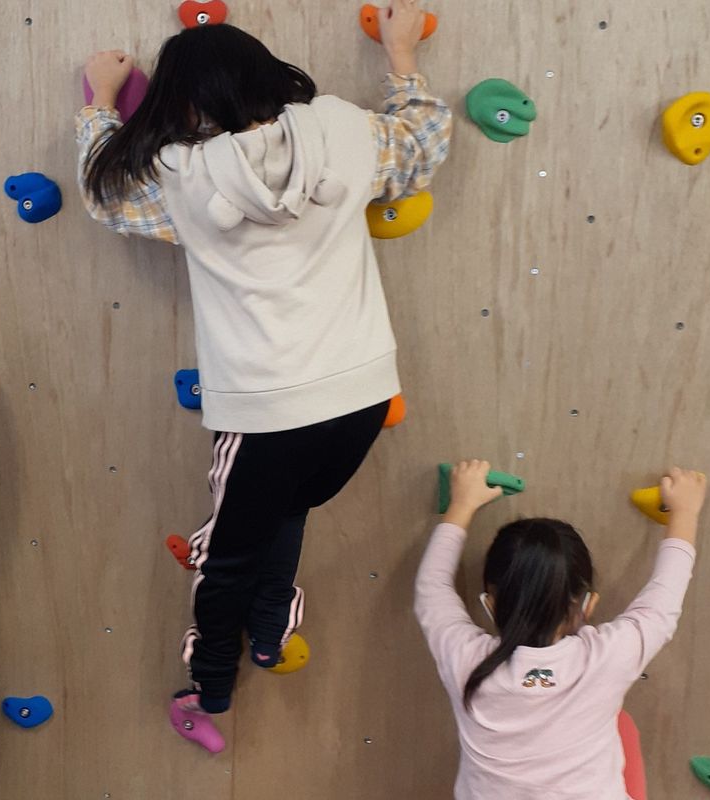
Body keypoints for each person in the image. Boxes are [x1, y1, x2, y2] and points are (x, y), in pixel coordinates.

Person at [76, 2, 451, 751]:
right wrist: (401, 57)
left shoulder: (176, 173)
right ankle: (272, 633)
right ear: (267, 76)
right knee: (285, 511)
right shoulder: (344, 131)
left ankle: (209, 687)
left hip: (264, 410)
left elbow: (103, 194)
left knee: (230, 553)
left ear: (183, 102)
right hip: (361, 398)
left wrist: (96, 104)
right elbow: (420, 144)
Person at [415, 460, 707, 799]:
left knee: (622, 727)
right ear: (587, 605)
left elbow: (430, 590)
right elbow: (662, 602)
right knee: (623, 727)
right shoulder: (607, 657)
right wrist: (685, 512)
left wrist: (461, 504)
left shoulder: (464, 659)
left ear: (490, 604)